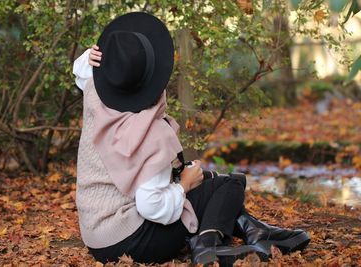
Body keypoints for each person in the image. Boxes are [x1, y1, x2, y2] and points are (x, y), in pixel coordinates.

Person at [73, 12, 310, 266]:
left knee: (210, 181)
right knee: (228, 185)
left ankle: (253, 229)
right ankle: (208, 246)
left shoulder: (95, 93)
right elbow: (151, 206)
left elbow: (82, 72)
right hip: (133, 241)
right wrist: (183, 185)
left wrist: (90, 57)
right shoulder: (152, 134)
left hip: (97, 238)